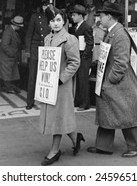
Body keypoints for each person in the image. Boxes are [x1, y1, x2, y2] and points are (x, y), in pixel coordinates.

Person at [87, 2, 137, 157]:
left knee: (125, 113)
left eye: (101, 16)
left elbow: (121, 63)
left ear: (109, 16)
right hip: (113, 79)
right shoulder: (113, 32)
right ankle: (103, 146)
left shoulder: (119, 34)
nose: (99, 19)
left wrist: (110, 80)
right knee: (108, 111)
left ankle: (136, 145)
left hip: (119, 81)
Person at [40, 9, 85, 166]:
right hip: (49, 84)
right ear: (49, 23)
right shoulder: (47, 38)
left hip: (61, 85)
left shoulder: (70, 39)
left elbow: (75, 62)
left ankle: (54, 150)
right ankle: (75, 137)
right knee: (59, 115)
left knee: (58, 116)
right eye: (53, 21)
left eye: (58, 20)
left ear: (64, 21)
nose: (56, 23)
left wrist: (61, 79)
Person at [25, 0, 54, 110]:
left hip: (48, 49)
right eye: (44, 5)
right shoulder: (35, 17)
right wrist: (27, 50)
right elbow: (29, 34)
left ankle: (46, 100)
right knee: (32, 75)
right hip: (35, 48)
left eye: (48, 6)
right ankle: (30, 101)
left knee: (47, 76)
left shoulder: (53, 18)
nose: (46, 7)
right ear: (42, 7)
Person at [71, 4, 94, 111]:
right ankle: (78, 101)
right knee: (79, 80)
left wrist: (84, 55)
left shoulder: (86, 27)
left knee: (83, 80)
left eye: (74, 15)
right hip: (78, 56)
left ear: (80, 16)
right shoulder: (76, 27)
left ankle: (85, 104)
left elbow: (90, 43)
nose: (72, 17)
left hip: (84, 58)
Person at [0, 16, 24, 94]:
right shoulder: (8, 31)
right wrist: (12, 54)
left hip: (9, 57)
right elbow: (4, 45)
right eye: (19, 26)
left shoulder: (12, 30)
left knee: (7, 74)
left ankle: (4, 86)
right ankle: (7, 88)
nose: (20, 28)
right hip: (7, 57)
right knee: (6, 74)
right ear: (16, 25)